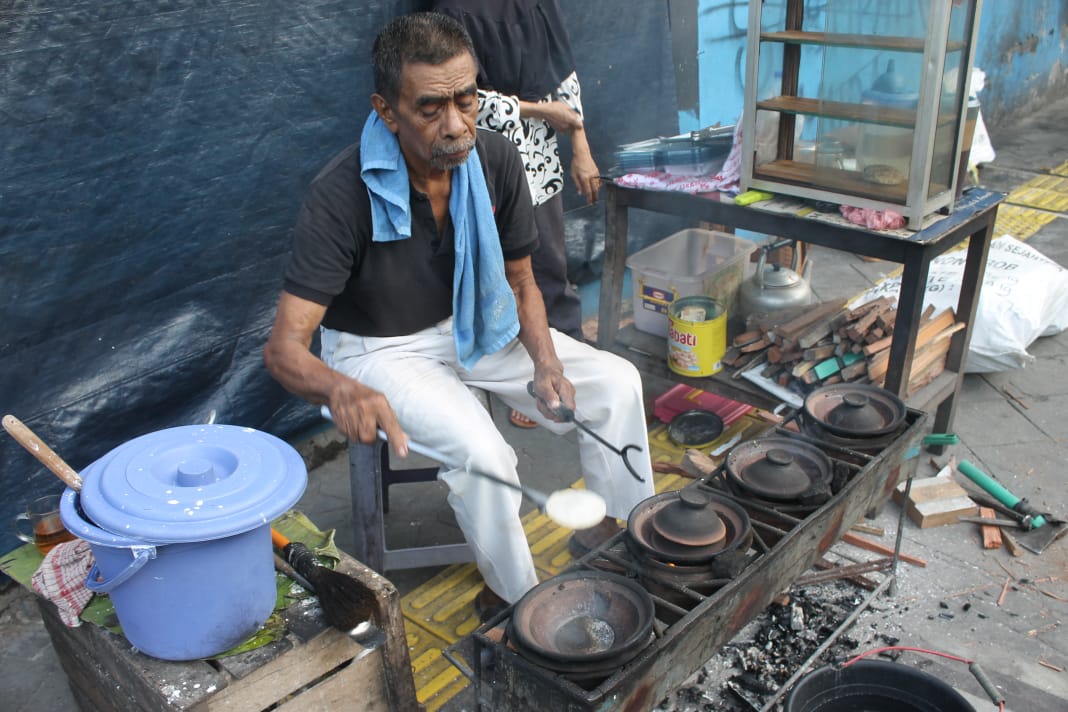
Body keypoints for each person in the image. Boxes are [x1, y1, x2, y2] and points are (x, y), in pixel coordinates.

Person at [263, 12, 654, 619]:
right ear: (386, 111)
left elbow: (521, 280)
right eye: (429, 109)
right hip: (382, 352)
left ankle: (616, 531)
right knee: (486, 455)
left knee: (617, 383)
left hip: (475, 320)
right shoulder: (341, 193)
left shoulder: (494, 158)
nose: (455, 125)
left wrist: (547, 361)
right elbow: (283, 348)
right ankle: (514, 596)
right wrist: (339, 387)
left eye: (466, 100)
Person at [432, 0, 601, 429]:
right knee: (506, 270)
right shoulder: (453, 9)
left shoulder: (537, 4)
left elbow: (565, 75)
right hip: (486, 155)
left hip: (542, 150)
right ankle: (522, 379)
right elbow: (463, 102)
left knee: (552, 264)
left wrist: (579, 141)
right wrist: (542, 111)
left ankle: (565, 367)